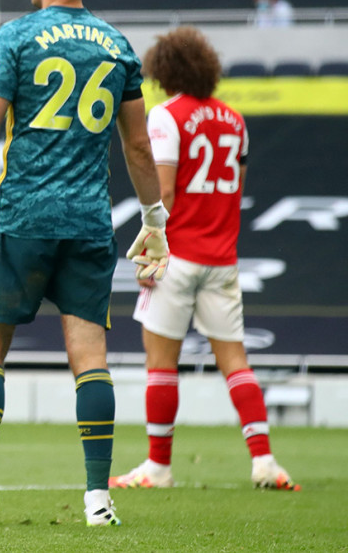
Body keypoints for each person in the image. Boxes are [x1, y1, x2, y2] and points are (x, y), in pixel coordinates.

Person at [0, 0, 168, 528]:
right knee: (91, 359)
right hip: (89, 221)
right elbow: (138, 144)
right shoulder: (117, 46)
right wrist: (155, 219)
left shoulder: (17, 35)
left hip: (22, 215)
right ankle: (97, 500)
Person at [109, 26, 299, 492]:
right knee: (236, 361)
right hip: (222, 255)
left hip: (176, 256)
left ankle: (158, 467)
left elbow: (166, 190)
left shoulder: (166, 117)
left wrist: (152, 244)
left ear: (163, 70)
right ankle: (264, 462)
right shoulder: (235, 120)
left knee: (161, 364)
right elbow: (236, 189)